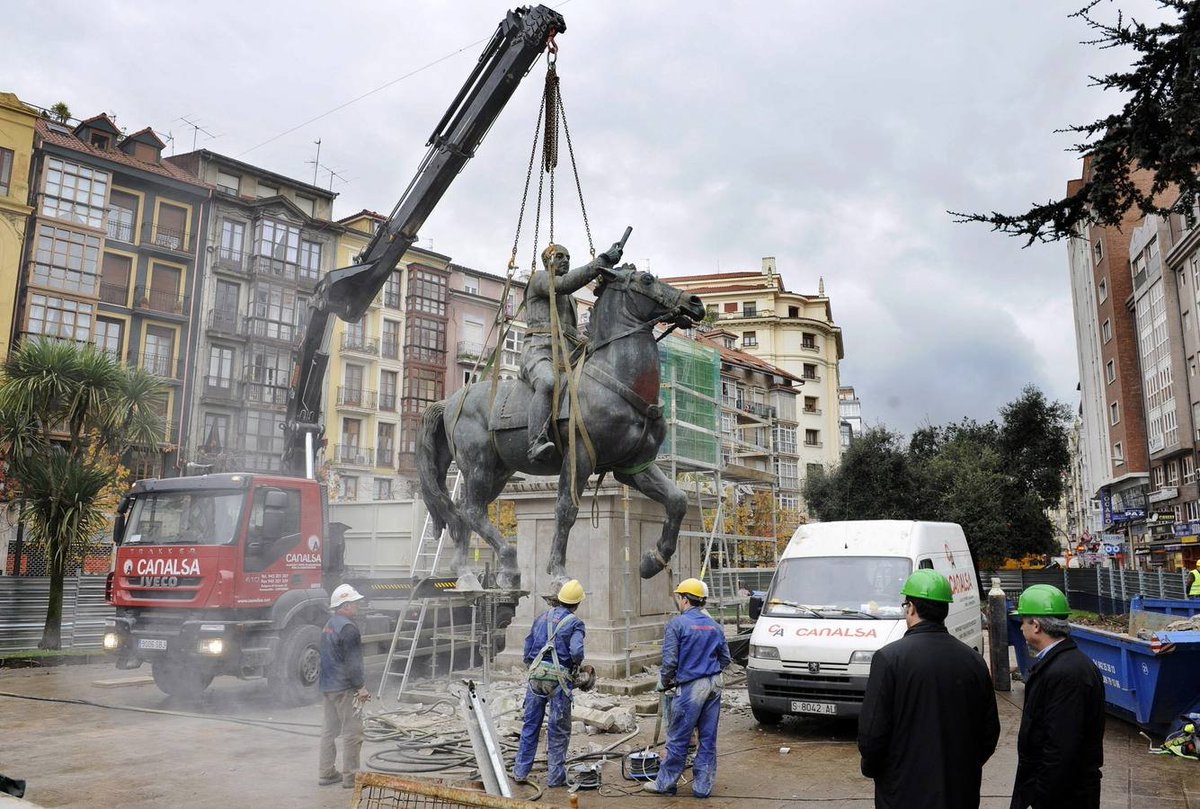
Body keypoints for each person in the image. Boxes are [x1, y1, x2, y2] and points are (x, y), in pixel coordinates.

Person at [857, 569, 1000, 809]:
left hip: (903, 791)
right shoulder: (973, 660)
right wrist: (965, 767)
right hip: (960, 791)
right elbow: (989, 732)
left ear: (910, 608)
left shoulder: (889, 659)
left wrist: (876, 769)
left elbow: (873, 732)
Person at [522, 239, 624, 463]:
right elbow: (565, 284)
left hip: (569, 353)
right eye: (559, 256)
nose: (565, 261)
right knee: (548, 382)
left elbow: (570, 330)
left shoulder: (570, 298)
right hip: (540, 350)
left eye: (568, 257)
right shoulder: (539, 279)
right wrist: (602, 261)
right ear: (547, 260)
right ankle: (535, 441)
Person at [1010, 584, 1105, 809]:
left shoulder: (1066, 673)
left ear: (1036, 625)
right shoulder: (1064, 664)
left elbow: (1061, 747)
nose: (1020, 627)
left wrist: (1039, 798)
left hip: (1063, 797)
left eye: (1022, 621)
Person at [644, 578, 731, 799]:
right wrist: (707, 670)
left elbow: (670, 660)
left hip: (691, 687)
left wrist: (666, 681)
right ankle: (702, 787)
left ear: (684, 600)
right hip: (713, 684)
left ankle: (665, 784)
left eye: (679, 597)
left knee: (678, 737)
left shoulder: (677, 624)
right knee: (708, 738)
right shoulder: (714, 626)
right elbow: (726, 659)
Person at [513, 579, 587, 787]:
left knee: (530, 725)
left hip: (536, 678)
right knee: (558, 729)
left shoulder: (541, 618)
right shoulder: (575, 623)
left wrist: (536, 667)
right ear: (577, 603)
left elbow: (527, 650)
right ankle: (555, 778)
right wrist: (576, 666)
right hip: (558, 682)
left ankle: (520, 771)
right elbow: (576, 651)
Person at [318, 583, 370, 789]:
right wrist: (361, 688)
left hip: (328, 687)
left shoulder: (329, 624)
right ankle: (351, 777)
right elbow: (352, 662)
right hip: (344, 689)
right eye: (355, 603)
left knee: (329, 731)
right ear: (345, 605)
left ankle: (326, 772)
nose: (357, 606)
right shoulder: (348, 628)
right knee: (353, 732)